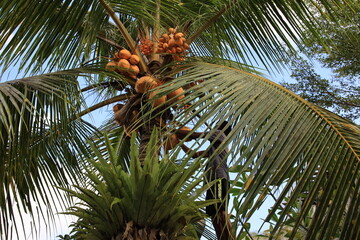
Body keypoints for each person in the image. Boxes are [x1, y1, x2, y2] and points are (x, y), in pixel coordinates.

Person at [176, 121, 234, 240]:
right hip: (213, 181)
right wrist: (179, 142)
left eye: (217, 126)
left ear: (221, 128)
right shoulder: (216, 147)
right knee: (214, 214)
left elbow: (193, 135)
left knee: (220, 212)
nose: (214, 127)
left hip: (218, 178)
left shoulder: (219, 135)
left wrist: (173, 131)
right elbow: (194, 154)